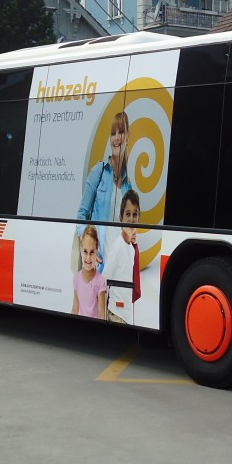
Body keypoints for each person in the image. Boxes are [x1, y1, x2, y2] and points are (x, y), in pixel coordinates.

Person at [76, 111, 132, 267]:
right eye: (113, 133)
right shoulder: (99, 172)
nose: (116, 138)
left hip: (119, 266)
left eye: (121, 132)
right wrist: (89, 248)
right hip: (99, 265)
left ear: (128, 136)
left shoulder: (128, 186)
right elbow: (81, 216)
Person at [105, 189, 142, 322]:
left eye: (135, 214)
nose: (131, 219)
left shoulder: (131, 246)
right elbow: (105, 278)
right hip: (116, 313)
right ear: (121, 218)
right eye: (128, 214)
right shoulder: (119, 246)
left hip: (125, 312)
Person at [71, 225, 107, 319]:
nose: (88, 257)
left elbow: (101, 315)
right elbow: (75, 309)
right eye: (85, 252)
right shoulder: (77, 278)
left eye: (92, 252)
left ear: (97, 250)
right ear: (81, 249)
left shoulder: (100, 281)